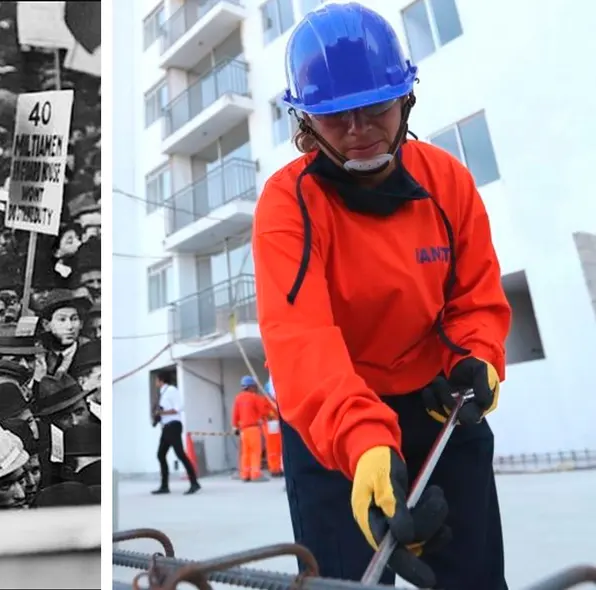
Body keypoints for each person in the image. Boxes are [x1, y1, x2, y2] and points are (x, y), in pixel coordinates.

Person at [252, 3, 511, 589]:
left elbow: (475, 297)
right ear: (305, 122)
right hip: (333, 425)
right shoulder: (286, 205)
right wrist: (363, 440)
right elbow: (301, 340)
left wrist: (476, 357)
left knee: (473, 578)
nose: (359, 129)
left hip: (440, 407)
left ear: (407, 100)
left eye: (376, 108)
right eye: (336, 117)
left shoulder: (448, 181)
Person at [151, 372, 199, 495]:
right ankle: (164, 486)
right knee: (161, 454)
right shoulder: (163, 393)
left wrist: (161, 413)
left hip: (173, 426)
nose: (155, 382)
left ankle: (194, 483)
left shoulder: (171, 390)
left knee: (180, 454)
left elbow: (178, 407)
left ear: (161, 380)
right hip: (166, 427)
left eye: (156, 379)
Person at [231, 376, 269, 482]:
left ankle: (245, 474)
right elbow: (263, 412)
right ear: (251, 386)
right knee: (255, 452)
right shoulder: (255, 397)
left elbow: (235, 414)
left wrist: (235, 426)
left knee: (245, 453)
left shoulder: (238, 398)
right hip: (253, 428)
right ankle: (255, 474)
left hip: (243, 430)